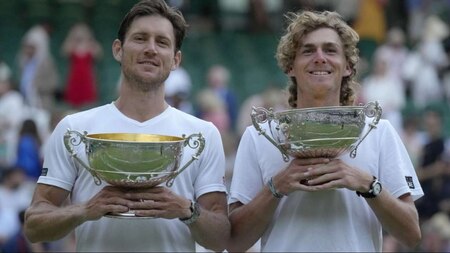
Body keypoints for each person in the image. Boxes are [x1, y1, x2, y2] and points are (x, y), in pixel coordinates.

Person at [23, 1, 230, 252]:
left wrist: (186, 209)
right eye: (140, 39)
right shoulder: (74, 129)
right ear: (118, 50)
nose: (151, 49)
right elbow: (34, 226)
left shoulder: (203, 134)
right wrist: (86, 210)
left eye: (162, 42)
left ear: (175, 60)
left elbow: (221, 238)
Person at [227, 10, 423, 252]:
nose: (320, 58)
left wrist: (366, 184)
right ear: (290, 66)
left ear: (349, 66)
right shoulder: (259, 135)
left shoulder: (378, 131)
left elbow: (411, 234)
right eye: (308, 51)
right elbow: (235, 242)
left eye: (330, 50)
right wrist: (278, 185)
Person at [61, 22, 102, 109]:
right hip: (74, 78)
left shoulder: (91, 45)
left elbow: (99, 54)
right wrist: (71, 37)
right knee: (73, 105)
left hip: (87, 78)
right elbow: (64, 52)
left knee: (88, 104)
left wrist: (90, 40)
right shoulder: (72, 45)